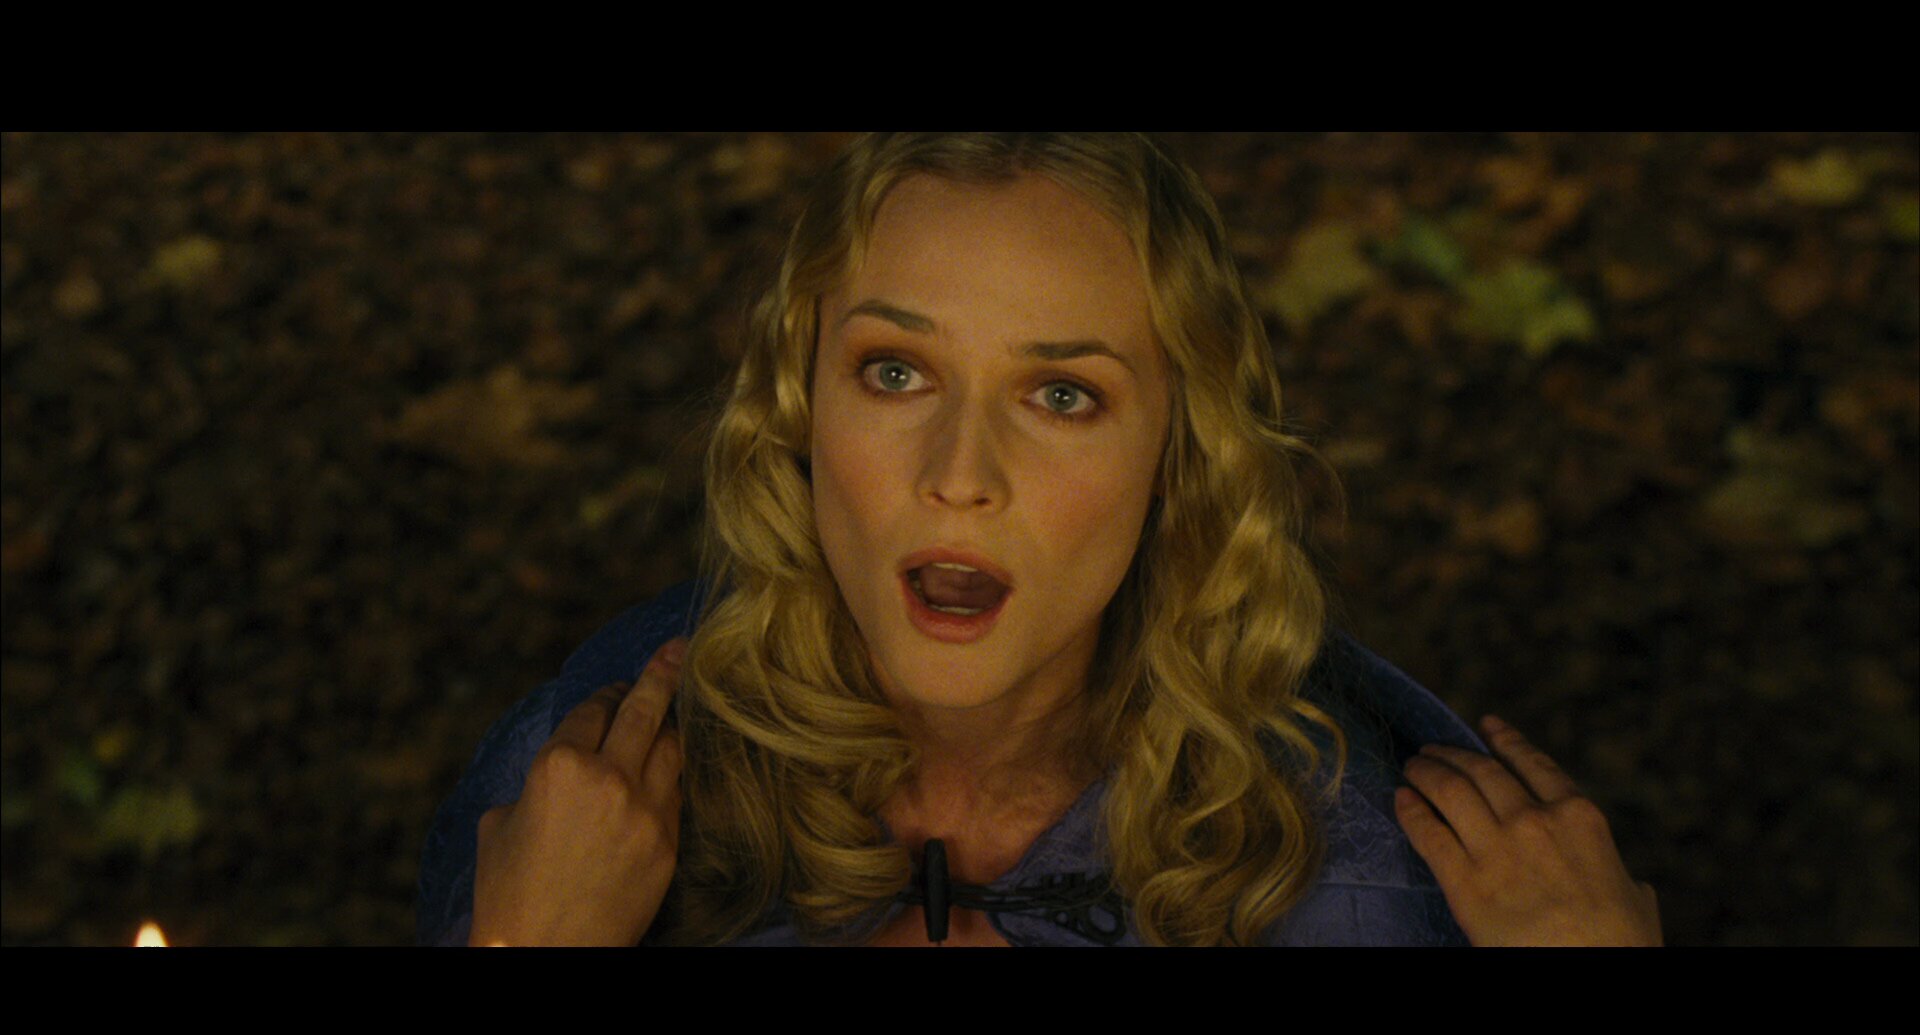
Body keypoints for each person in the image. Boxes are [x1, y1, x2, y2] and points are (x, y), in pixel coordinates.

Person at [418, 133, 1661, 947]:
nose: (961, 477)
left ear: (1179, 452)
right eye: (895, 372)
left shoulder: (1375, 871)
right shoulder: (576, 792)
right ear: (799, 404)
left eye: (1063, 395)